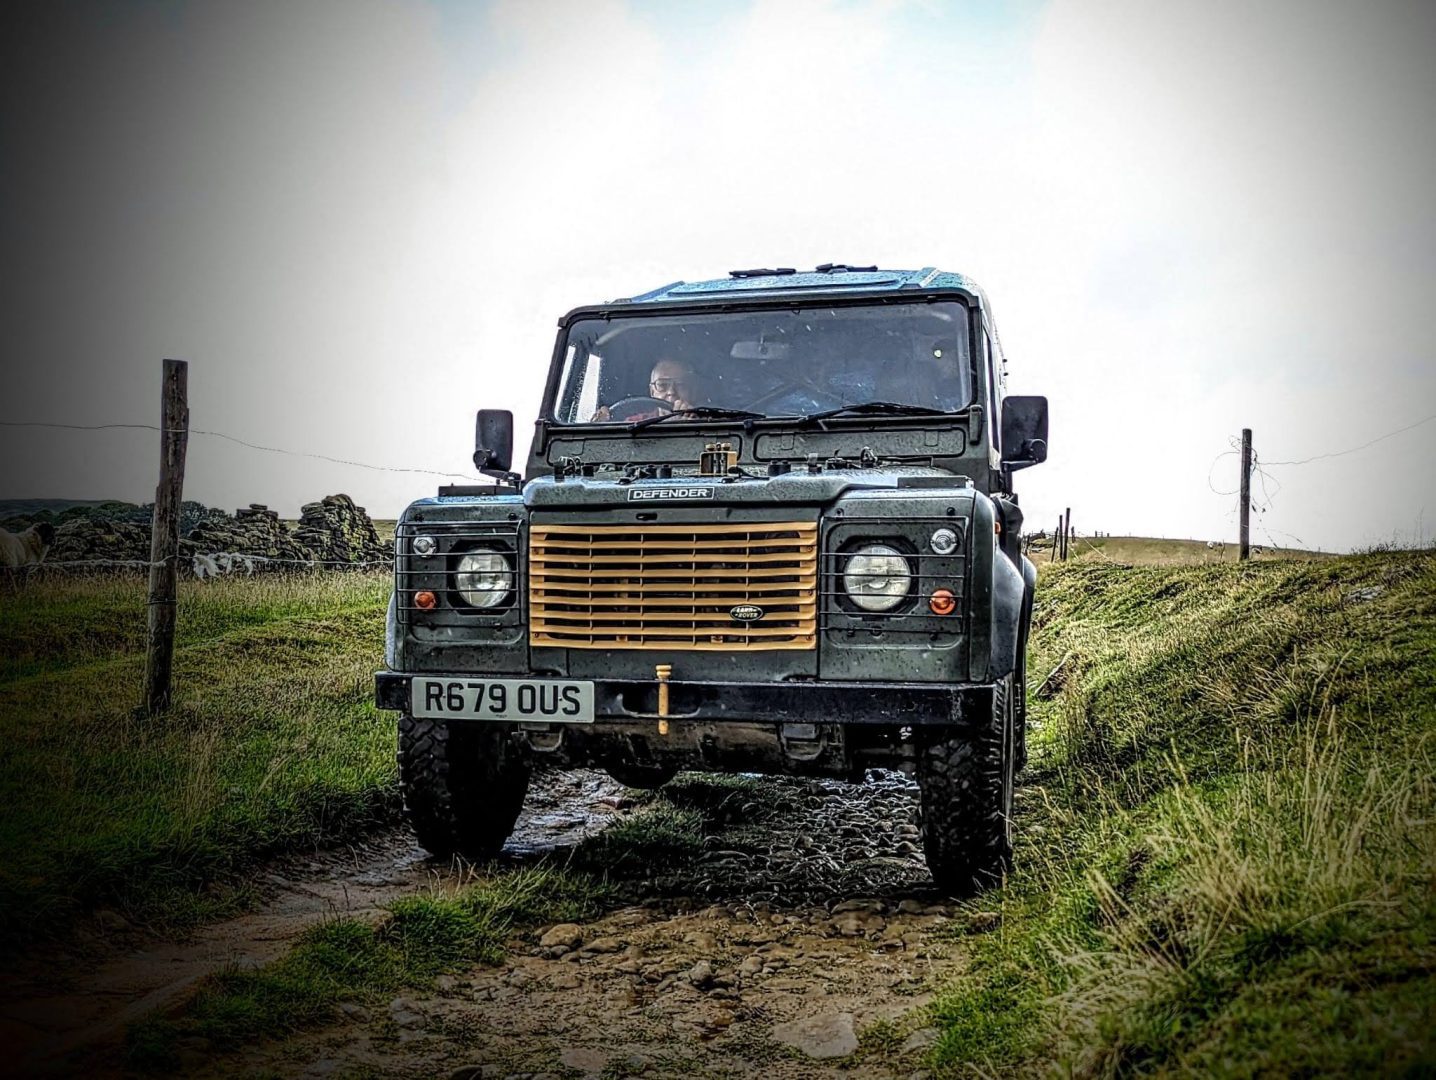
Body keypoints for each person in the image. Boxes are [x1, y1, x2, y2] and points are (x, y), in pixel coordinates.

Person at [591, 358, 704, 421]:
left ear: (692, 391)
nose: (671, 392)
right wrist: (601, 426)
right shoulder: (635, 424)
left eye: (680, 385)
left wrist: (692, 425)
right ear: (652, 391)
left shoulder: (707, 424)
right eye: (662, 385)